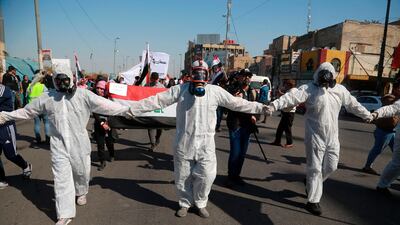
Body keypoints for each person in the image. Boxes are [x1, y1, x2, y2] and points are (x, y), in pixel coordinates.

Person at [128, 60, 269, 218]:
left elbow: (236, 103)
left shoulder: (215, 91)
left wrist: (261, 108)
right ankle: (184, 203)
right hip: (184, 142)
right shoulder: (179, 90)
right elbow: (156, 100)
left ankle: (200, 202)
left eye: (203, 73)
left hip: (206, 144)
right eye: (196, 72)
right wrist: (131, 109)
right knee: (182, 176)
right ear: (191, 73)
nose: (199, 76)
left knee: (207, 176)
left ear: (208, 75)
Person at [0, 63, 133, 225]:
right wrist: (5, 116)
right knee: (61, 179)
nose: (61, 83)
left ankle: (81, 191)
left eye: (65, 80)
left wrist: (133, 109)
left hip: (80, 145)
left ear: (71, 79)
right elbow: (26, 111)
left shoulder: (84, 95)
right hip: (59, 147)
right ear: (54, 81)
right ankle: (65, 213)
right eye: (58, 80)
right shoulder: (48, 98)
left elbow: (110, 107)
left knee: (81, 173)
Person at [267, 62, 372, 216]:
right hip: (315, 136)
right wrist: (272, 106)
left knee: (331, 166)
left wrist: (367, 115)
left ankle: (311, 183)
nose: (324, 86)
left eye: (326, 83)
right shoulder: (309, 89)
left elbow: (353, 105)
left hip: (333, 137)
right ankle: (313, 201)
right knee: (315, 168)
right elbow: (290, 98)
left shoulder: (340, 90)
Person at [225, 68, 258, 187]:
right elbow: (224, 108)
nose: (247, 78)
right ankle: (230, 177)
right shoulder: (232, 90)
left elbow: (257, 106)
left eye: (249, 76)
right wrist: (233, 100)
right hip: (236, 125)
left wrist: (254, 116)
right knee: (235, 152)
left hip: (247, 126)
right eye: (244, 76)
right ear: (239, 77)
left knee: (242, 154)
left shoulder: (253, 92)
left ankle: (237, 175)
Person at [368, 82, 400, 196]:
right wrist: (376, 114)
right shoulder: (393, 100)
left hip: (392, 131)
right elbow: (389, 109)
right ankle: (382, 185)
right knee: (396, 162)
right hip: (385, 130)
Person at [0, 83, 32, 189]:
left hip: (5, 126)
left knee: (10, 154)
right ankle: (2, 179)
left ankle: (26, 166)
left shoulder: (4, 89)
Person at [362, 94, 399, 175]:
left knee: (397, 153)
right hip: (384, 131)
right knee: (377, 149)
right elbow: (389, 107)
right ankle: (367, 167)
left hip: (393, 131)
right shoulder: (390, 99)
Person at [93, 80, 118, 171]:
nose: (99, 90)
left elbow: (113, 111)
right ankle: (102, 161)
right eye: (98, 88)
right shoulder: (94, 99)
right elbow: (94, 113)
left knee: (109, 143)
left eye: (102, 88)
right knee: (100, 144)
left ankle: (111, 154)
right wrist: (101, 123)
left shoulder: (110, 99)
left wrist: (108, 123)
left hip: (109, 124)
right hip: (99, 124)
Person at [270, 79, 297, 148]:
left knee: (287, 128)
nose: (285, 86)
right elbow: (288, 97)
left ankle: (289, 142)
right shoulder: (292, 91)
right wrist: (281, 94)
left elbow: (290, 99)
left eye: (286, 84)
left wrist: (280, 94)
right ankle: (277, 141)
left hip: (289, 112)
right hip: (286, 112)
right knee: (280, 128)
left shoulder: (292, 91)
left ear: (289, 85)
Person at [27, 72, 50, 145]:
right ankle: (47, 139)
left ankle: (38, 139)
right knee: (46, 123)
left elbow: (26, 97)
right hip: (43, 107)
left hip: (33, 108)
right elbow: (47, 96)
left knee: (37, 124)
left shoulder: (29, 86)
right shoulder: (42, 86)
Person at [145, 72, 165, 151]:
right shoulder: (147, 86)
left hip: (159, 108)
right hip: (150, 108)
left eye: (154, 79)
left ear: (157, 79)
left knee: (159, 127)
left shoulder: (161, 86)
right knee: (150, 127)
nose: (153, 81)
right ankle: (152, 144)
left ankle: (157, 138)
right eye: (152, 79)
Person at [210, 56, 228, 132]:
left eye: (217, 66)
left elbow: (226, 81)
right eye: (214, 67)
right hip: (213, 95)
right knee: (213, 111)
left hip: (220, 95)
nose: (215, 68)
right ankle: (214, 124)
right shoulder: (213, 75)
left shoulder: (222, 74)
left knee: (219, 112)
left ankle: (218, 125)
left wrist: (223, 73)